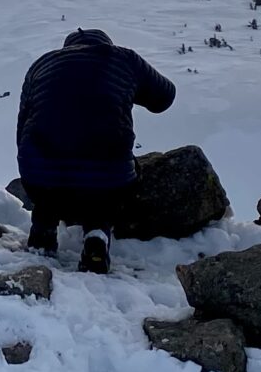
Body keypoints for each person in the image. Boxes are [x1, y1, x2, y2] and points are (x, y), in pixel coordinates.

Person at [14, 27, 176, 275]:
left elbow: (23, 122)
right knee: (105, 188)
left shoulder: (42, 64)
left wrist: (30, 166)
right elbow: (164, 97)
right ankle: (97, 236)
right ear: (105, 43)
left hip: (41, 177)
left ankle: (43, 228)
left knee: (48, 185)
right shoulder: (124, 59)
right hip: (107, 177)